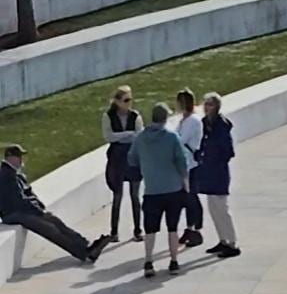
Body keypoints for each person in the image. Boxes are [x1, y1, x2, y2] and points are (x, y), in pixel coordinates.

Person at [0, 145, 109, 265]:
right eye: (19, 156)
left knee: (55, 221)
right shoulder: (6, 175)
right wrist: (37, 211)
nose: (21, 160)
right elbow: (18, 200)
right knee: (49, 228)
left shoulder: (15, 173)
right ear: (10, 158)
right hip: (13, 214)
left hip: (24, 210)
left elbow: (28, 194)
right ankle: (83, 252)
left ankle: (86, 245)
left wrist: (39, 207)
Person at [128, 103, 189, 279]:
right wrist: (185, 182)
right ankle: (174, 261)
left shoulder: (140, 138)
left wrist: (146, 165)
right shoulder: (172, 137)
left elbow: (132, 159)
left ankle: (148, 261)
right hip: (172, 188)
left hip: (152, 189)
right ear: (165, 118)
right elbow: (181, 161)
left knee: (150, 229)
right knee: (172, 227)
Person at [195, 92, 240, 258]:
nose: (207, 107)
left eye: (210, 104)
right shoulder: (205, 123)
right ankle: (222, 239)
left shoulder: (221, 126)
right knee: (213, 208)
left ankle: (232, 242)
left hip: (219, 172)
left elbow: (228, 151)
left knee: (222, 208)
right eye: (205, 104)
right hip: (208, 171)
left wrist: (214, 159)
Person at [101, 85, 143, 243]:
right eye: (126, 100)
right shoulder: (108, 116)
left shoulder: (135, 116)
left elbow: (139, 136)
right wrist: (127, 134)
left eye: (130, 100)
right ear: (117, 102)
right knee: (117, 195)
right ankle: (114, 232)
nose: (129, 103)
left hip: (132, 158)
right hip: (117, 159)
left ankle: (138, 230)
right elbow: (108, 136)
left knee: (135, 196)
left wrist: (121, 136)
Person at [173, 88, 204, 248]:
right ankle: (190, 228)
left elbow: (181, 140)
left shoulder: (193, 121)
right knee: (186, 198)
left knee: (191, 198)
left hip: (191, 165)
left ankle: (196, 229)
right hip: (184, 165)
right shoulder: (184, 120)